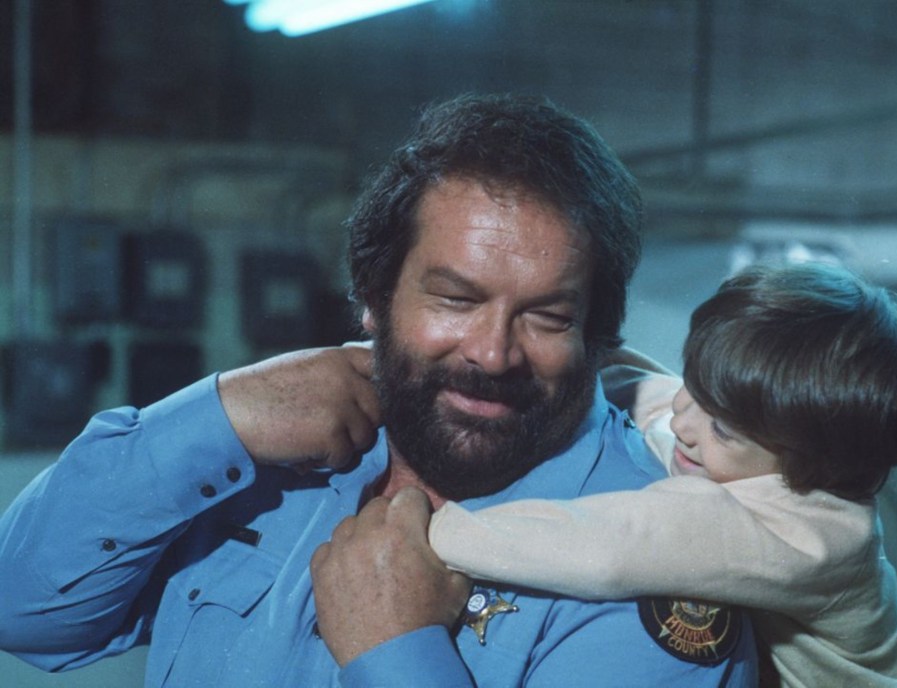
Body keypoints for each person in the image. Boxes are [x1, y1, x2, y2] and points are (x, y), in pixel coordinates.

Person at [0, 93, 757, 686]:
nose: (492, 353)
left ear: (598, 330)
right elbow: (23, 611)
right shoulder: (263, 462)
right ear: (373, 297)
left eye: (547, 317)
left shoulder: (658, 561)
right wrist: (219, 415)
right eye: (455, 299)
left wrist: (397, 654)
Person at [428, 262, 897, 688]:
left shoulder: (807, 537)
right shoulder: (756, 445)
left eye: (720, 428)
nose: (681, 421)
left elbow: (616, 547)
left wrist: (436, 533)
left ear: (806, 463)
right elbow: (645, 390)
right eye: (692, 386)